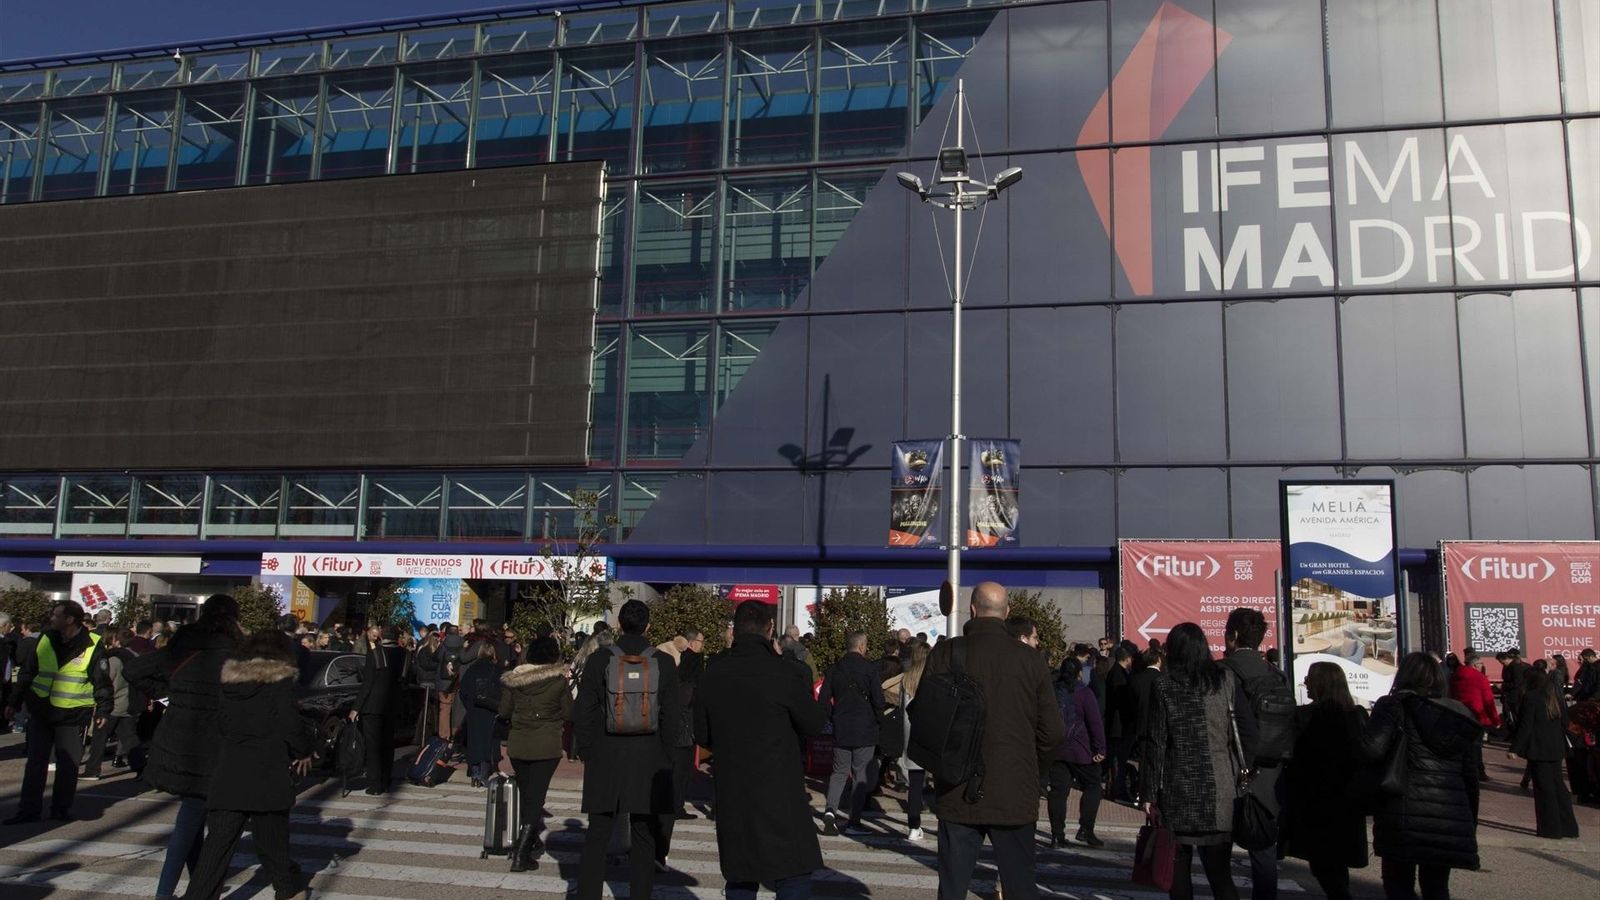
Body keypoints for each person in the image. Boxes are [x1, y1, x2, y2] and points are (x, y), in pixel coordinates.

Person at [922, 582, 1064, 900]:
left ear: (972, 610)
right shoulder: (1030, 660)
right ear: (1007, 613)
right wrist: (1034, 766)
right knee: (1020, 886)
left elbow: (926, 721)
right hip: (1014, 788)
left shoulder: (945, 653)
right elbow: (1053, 732)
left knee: (952, 888)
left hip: (957, 786)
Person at [697, 597, 827, 899]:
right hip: (780, 786)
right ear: (770, 630)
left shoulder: (713, 673)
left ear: (735, 631)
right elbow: (814, 723)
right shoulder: (784, 673)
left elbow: (702, 734)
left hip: (734, 787)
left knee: (741, 874)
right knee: (793, 872)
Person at [181, 632, 316, 900]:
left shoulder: (229, 684)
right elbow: (289, 723)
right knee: (272, 843)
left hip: (230, 768)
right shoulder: (280, 682)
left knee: (217, 846)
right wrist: (303, 751)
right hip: (267, 769)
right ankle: (288, 890)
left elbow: (219, 723)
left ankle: (198, 896)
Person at [128, 594, 240, 898]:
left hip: (178, 737)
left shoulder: (183, 642)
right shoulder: (236, 650)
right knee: (191, 816)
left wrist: (168, 696)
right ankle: (166, 892)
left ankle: (198, 885)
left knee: (193, 812)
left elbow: (134, 671)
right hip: (215, 742)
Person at [1138, 621, 1255, 900]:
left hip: (1180, 789)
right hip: (1220, 787)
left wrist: (1148, 793)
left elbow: (1156, 743)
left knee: (1177, 875)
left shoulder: (1164, 686)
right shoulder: (1224, 680)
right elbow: (1244, 729)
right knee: (1220, 875)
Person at [573, 599, 679, 900]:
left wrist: (589, 750)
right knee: (645, 835)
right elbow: (672, 715)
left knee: (597, 834)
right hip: (649, 756)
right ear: (648, 626)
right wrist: (667, 755)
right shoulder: (664, 661)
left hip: (606, 754)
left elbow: (584, 711)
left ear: (619, 624)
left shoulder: (600, 659)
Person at [1357, 652, 1482, 900]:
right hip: (1448, 811)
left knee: (1398, 883)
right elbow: (1470, 773)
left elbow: (1371, 750)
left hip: (1401, 805)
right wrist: (1469, 819)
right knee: (1436, 887)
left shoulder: (1394, 706)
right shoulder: (1458, 714)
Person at [4, 600, 112, 825]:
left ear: (70, 619)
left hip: (72, 715)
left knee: (68, 766)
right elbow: (28, 672)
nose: (52, 619)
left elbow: (101, 681)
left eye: (56, 616)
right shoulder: (46, 638)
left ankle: (60, 810)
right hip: (42, 710)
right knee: (35, 763)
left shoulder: (93, 643)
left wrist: (103, 710)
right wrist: (14, 702)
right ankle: (28, 810)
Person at [1284, 662, 1368, 900]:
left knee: (1325, 869)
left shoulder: (1305, 717)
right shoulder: (1357, 716)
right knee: (1336, 868)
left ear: (1321, 683)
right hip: (1348, 803)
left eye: (1310, 678)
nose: (1306, 682)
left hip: (1316, 804)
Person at [1220, 607, 1288, 900]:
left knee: (1218, 851)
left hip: (1228, 767)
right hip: (1269, 772)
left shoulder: (1222, 672)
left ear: (1232, 635)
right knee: (1263, 850)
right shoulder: (1277, 676)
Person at [499, 637, 573, 872]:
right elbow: (569, 713)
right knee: (536, 797)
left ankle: (530, 840)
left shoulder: (515, 680)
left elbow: (504, 711)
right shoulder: (558, 681)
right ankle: (521, 852)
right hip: (546, 743)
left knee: (527, 793)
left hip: (519, 742)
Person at [816, 630, 885, 836]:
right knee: (859, 773)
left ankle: (830, 811)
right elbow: (879, 701)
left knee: (838, 772)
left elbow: (823, 701)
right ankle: (854, 821)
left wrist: (833, 717)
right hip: (865, 727)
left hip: (842, 726)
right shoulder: (870, 669)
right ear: (862, 646)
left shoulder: (834, 669)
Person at [1511, 668, 1580, 839]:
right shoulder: (1554, 696)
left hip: (1538, 747)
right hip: (1556, 747)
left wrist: (1515, 748)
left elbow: (1526, 726)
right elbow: (1564, 721)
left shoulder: (1531, 697)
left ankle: (1550, 828)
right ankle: (1569, 827)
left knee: (1544, 789)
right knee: (1559, 786)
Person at [1047, 656, 1105, 849]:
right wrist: (1100, 748)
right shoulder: (1084, 693)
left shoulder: (1053, 691)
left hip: (1057, 749)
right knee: (1093, 786)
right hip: (1081, 749)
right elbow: (1095, 723)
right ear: (1079, 673)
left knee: (1058, 792)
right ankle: (1086, 829)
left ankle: (1057, 833)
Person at [81, 628, 144, 780]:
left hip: (112, 703)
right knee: (129, 738)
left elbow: (106, 681)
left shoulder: (113, 660)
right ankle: (142, 767)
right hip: (127, 702)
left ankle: (92, 770)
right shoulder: (133, 657)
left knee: (99, 738)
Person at [350, 624, 405, 795]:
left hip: (373, 705)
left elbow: (367, 683)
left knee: (373, 746)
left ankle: (375, 784)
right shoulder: (404, 654)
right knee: (388, 745)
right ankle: (386, 781)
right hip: (393, 704)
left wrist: (356, 708)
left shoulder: (375, 653)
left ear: (382, 635)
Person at [456, 639, 502, 787]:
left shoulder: (472, 668)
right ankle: (483, 774)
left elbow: (463, 690)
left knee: (474, 741)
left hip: (474, 708)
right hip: (490, 709)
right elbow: (501, 690)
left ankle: (474, 774)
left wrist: (469, 704)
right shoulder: (496, 669)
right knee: (487, 741)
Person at [898, 642, 931, 841]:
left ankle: (913, 824)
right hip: (929, 731)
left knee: (915, 782)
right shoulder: (930, 678)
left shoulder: (906, 678)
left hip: (910, 731)